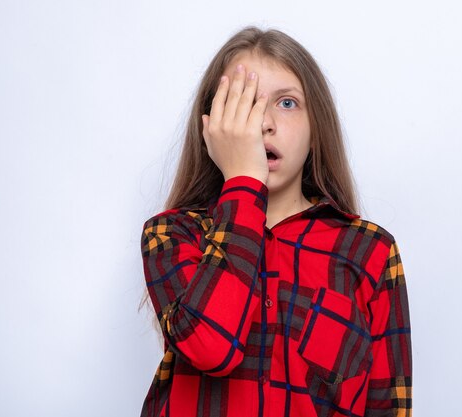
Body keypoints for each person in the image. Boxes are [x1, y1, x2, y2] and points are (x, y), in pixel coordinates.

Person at [140, 25, 412, 417]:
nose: (263, 123)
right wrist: (244, 182)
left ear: (316, 129)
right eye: (243, 103)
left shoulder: (370, 252)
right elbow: (212, 347)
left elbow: (386, 406)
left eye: (287, 103)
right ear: (212, 127)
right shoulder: (172, 234)